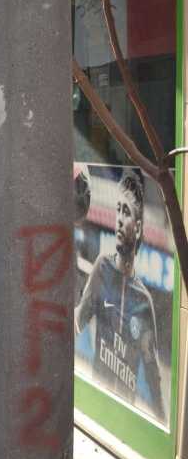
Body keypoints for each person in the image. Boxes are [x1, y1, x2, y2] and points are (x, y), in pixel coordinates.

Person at [75, 170, 166, 423]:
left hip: (125, 417)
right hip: (96, 406)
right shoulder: (102, 268)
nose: (118, 219)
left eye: (125, 212)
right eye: (117, 210)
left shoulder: (144, 302)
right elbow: (77, 321)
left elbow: (153, 377)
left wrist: (160, 422)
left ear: (137, 229)